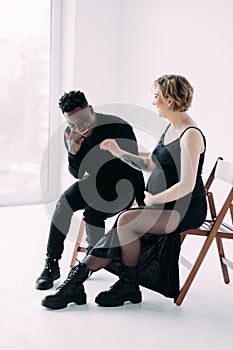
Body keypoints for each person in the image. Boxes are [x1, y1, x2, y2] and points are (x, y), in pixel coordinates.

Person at [41, 74, 207, 309]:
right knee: (123, 221)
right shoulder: (171, 128)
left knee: (126, 220)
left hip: (184, 207)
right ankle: (111, 284)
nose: (153, 101)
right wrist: (118, 151)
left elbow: (187, 185)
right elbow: (150, 164)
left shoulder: (190, 134)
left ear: (169, 101)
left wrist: (151, 199)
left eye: (156, 96)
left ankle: (82, 281)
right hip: (161, 203)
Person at [35, 90, 145, 290]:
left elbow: (135, 166)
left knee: (93, 213)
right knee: (63, 202)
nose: (80, 128)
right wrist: (73, 153)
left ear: (91, 110)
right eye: (73, 124)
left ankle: (89, 263)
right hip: (95, 183)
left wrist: (141, 200)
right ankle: (51, 264)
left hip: (124, 186)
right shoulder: (72, 133)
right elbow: (78, 173)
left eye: (83, 121)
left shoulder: (117, 126)